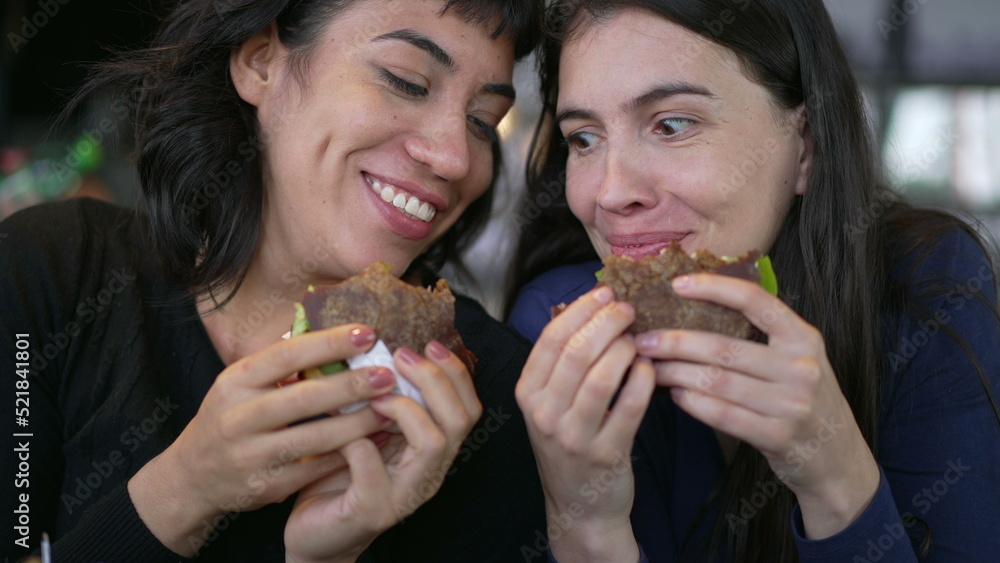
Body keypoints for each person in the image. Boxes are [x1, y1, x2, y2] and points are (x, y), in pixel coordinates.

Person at [0, 1, 547, 561]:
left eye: (483, 121)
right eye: (407, 81)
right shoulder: (50, 271)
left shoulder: (493, 397)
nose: (456, 158)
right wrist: (185, 490)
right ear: (260, 60)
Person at [505, 0, 1000, 561]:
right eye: (584, 139)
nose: (612, 193)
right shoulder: (555, 329)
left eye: (672, 124)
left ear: (806, 146)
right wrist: (588, 527)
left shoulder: (926, 287)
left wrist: (836, 482)